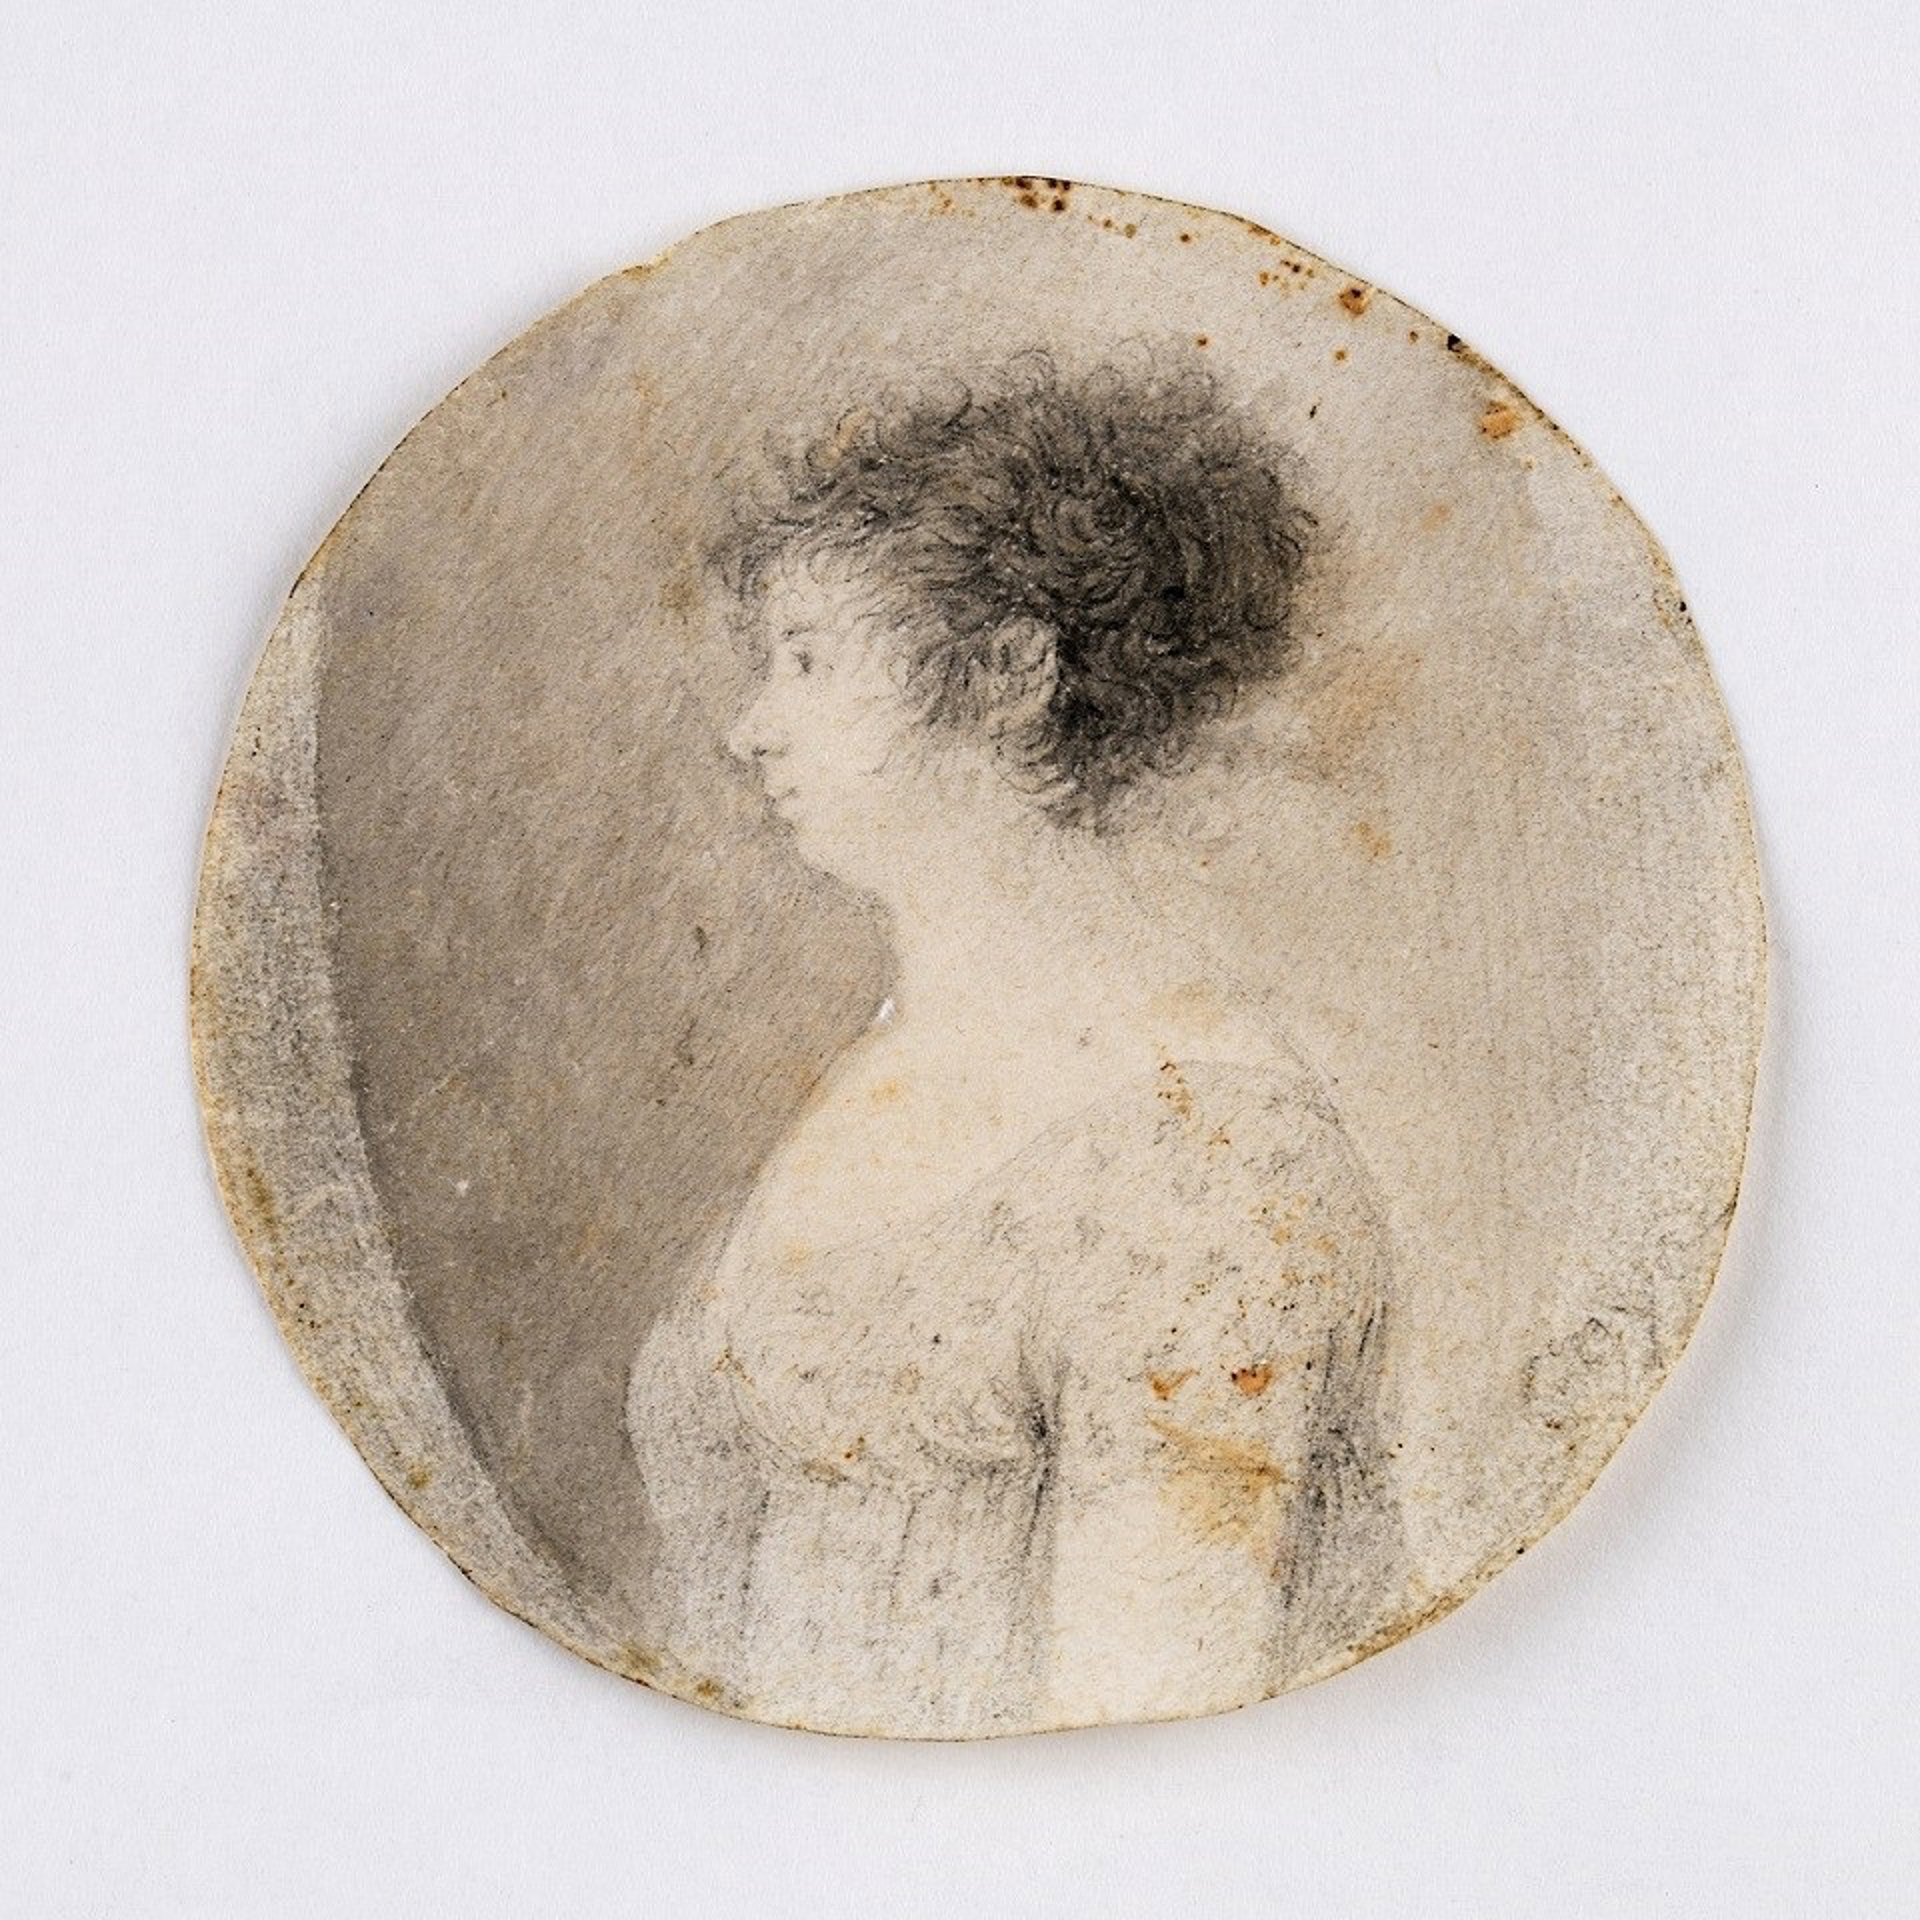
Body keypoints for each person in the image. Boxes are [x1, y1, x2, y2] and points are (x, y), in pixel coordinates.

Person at [628, 350, 1404, 1736]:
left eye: (809, 660)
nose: (751, 730)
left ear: (1004, 674)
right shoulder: (878, 1073)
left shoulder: (1206, 1160)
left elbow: (1149, 1721)